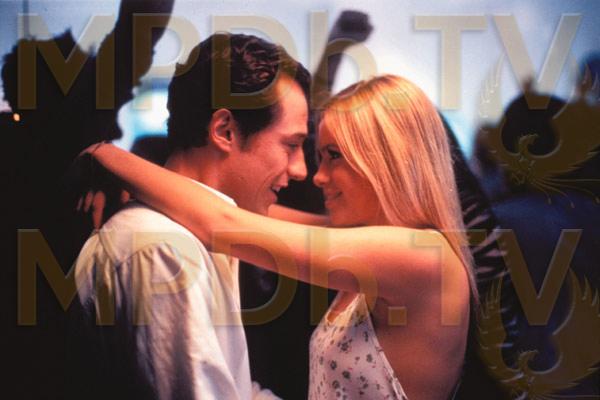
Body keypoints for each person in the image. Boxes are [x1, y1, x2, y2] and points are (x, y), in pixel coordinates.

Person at [82, 74, 478, 399]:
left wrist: (102, 155)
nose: (316, 176)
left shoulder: (421, 255)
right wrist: (140, 183)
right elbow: (236, 209)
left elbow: (224, 222)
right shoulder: (377, 244)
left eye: (333, 156)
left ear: (386, 158)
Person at [69, 33, 310, 399]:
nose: (301, 170)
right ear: (224, 131)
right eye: (291, 145)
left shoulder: (185, 238)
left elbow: (234, 389)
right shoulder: (166, 251)